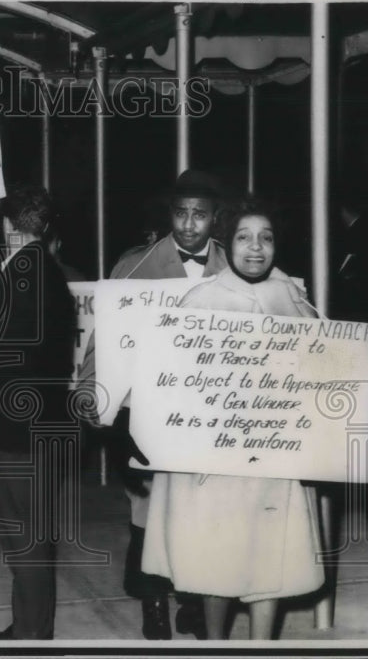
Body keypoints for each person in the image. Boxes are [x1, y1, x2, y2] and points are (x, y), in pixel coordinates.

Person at [141, 200, 324, 639]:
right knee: (215, 562)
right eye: (244, 237)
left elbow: (324, 372)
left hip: (275, 462)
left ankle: (262, 647)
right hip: (215, 466)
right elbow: (171, 382)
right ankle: (216, 644)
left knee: (269, 561)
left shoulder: (295, 300)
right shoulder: (200, 300)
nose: (256, 248)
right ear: (229, 241)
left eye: (266, 237)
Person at [79, 168, 227, 640]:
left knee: (201, 513)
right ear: (170, 214)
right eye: (181, 214)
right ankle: (154, 604)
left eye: (199, 215)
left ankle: (194, 603)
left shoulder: (236, 266)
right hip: (145, 415)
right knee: (147, 512)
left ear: (214, 218)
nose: (188, 225)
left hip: (207, 418)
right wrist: (89, 387)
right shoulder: (134, 265)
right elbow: (104, 339)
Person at [0, 184, 77, 640]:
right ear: (43, 226)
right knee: (27, 539)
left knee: (25, 542)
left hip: (20, 433)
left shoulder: (24, 271)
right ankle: (28, 626)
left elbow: (1, 329)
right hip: (39, 425)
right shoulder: (44, 269)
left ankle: (31, 639)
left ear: (6, 226)